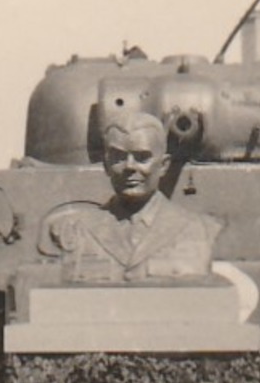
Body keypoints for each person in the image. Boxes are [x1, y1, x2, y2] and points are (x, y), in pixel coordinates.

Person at [45, 109, 220, 282]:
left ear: (164, 165)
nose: (129, 166)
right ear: (106, 165)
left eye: (142, 157)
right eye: (118, 157)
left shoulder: (200, 230)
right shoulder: (76, 230)